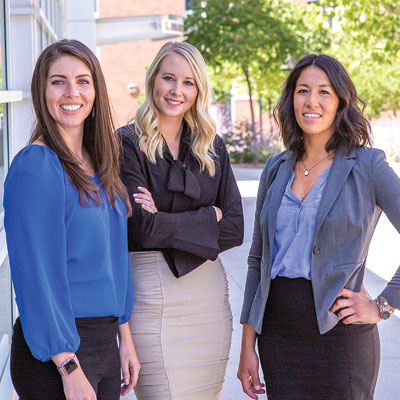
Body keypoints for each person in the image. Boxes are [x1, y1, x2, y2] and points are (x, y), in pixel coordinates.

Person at [237, 54, 400, 400]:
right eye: (303, 91)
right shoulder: (275, 168)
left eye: (324, 92)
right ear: (291, 99)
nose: (312, 101)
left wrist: (383, 304)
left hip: (341, 341)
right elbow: (257, 261)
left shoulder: (368, 165)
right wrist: (247, 346)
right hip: (278, 340)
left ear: (340, 101)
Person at [4, 39, 140, 400]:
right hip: (58, 354)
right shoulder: (36, 166)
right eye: (57, 81)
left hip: (105, 344)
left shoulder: (100, 166)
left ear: (96, 90)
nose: (72, 92)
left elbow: (115, 261)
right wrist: (67, 364)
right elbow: (36, 276)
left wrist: (124, 339)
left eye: (83, 81)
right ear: (42, 91)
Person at [119, 41, 244, 399]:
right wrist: (209, 217)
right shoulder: (127, 143)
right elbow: (140, 227)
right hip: (151, 298)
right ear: (153, 79)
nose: (177, 90)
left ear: (198, 89)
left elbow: (234, 228)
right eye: (169, 78)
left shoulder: (212, 145)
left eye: (188, 82)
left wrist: (164, 219)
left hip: (207, 299)